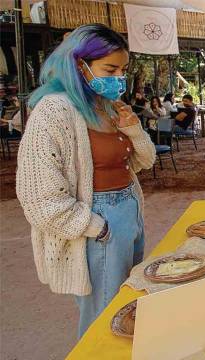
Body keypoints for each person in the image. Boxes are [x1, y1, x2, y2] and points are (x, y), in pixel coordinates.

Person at [16, 24, 156, 337]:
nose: (119, 77)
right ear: (79, 65)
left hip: (128, 213)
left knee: (126, 305)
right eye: (110, 69)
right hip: (96, 223)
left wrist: (133, 128)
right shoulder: (54, 111)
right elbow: (39, 199)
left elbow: (144, 160)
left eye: (122, 69)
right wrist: (98, 227)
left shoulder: (107, 106)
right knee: (104, 317)